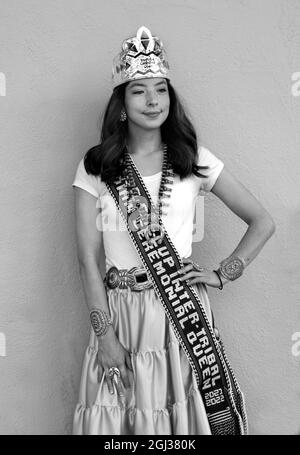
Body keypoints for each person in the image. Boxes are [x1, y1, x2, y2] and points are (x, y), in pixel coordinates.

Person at [71, 26, 275, 435]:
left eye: (161, 89)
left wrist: (223, 273)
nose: (152, 100)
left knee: (179, 422)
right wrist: (105, 336)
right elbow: (87, 263)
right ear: (122, 104)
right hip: (120, 317)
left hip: (179, 317)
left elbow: (263, 221)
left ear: (171, 98)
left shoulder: (193, 159)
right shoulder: (95, 167)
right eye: (139, 90)